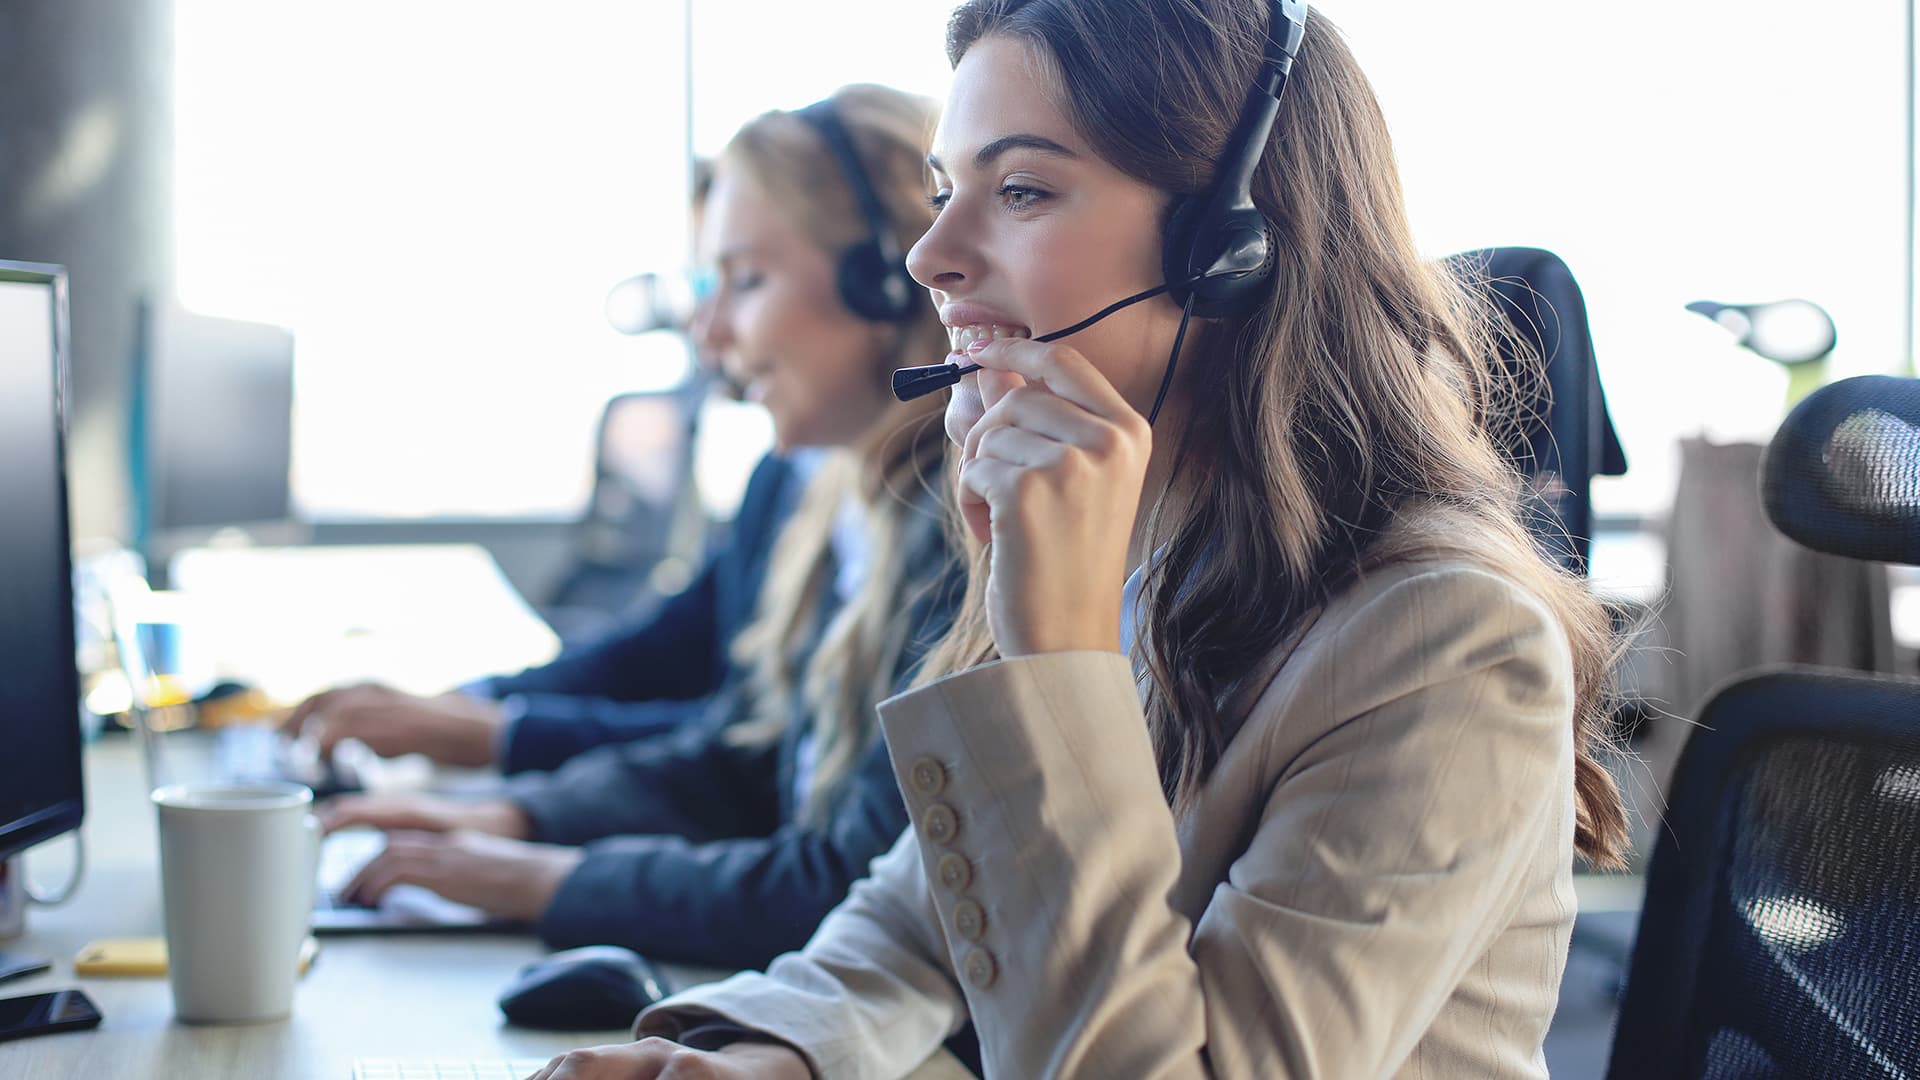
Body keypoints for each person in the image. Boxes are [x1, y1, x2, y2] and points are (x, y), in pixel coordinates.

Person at [527, 1, 1631, 1077]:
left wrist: (1053, 663)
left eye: (1020, 189)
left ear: (1229, 246)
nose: (931, 257)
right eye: (942, 192)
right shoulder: (1146, 550)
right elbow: (926, 913)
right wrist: (768, 1054)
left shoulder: (1449, 643)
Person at [316, 84, 967, 971]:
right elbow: (745, 752)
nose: (707, 334)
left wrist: (537, 877)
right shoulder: (825, 499)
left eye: (746, 279)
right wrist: (520, 820)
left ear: (884, 280)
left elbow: (843, 883)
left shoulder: (965, 530)